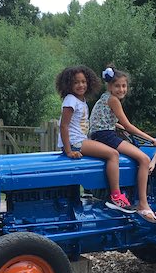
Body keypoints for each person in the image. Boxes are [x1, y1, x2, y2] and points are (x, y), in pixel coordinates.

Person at [55, 65, 135, 214]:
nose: (81, 85)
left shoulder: (81, 100)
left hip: (80, 140)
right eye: (76, 82)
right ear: (68, 84)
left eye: (83, 82)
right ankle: (116, 196)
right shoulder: (70, 100)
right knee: (113, 154)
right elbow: (63, 126)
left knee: (108, 154)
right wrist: (69, 151)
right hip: (75, 142)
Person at [89, 65, 156, 223]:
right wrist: (151, 139)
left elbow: (106, 120)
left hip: (99, 134)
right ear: (109, 86)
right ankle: (143, 203)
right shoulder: (113, 100)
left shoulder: (104, 97)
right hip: (106, 136)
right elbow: (128, 126)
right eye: (117, 86)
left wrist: (119, 127)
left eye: (124, 86)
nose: (121, 89)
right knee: (144, 159)